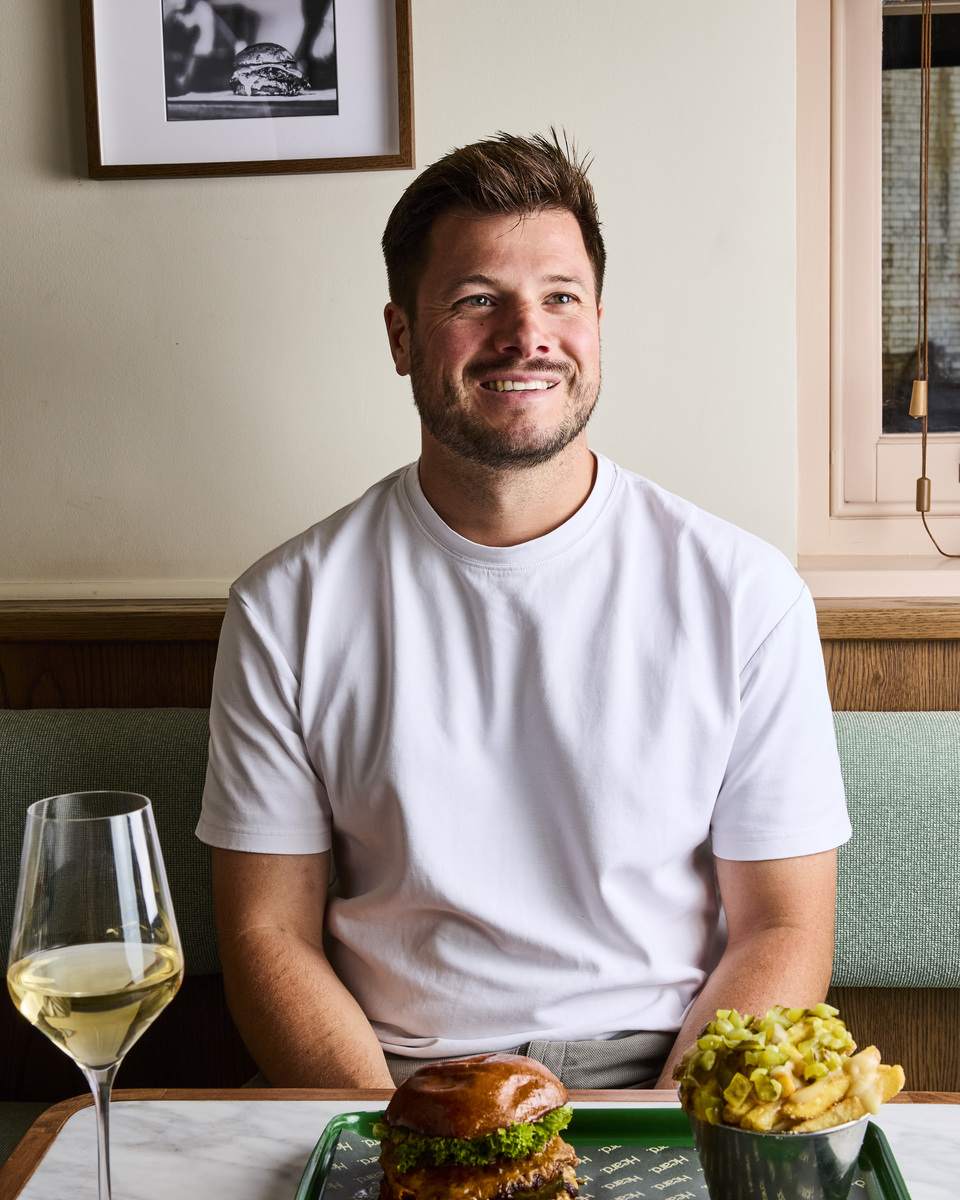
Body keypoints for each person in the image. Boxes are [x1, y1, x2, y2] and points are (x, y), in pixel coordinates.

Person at [197, 132, 851, 1091]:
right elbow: (267, 935)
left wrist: (666, 1128)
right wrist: (398, 1139)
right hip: (391, 1075)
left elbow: (785, 928)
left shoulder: (745, 593)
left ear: (596, 323)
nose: (526, 335)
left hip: (659, 1068)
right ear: (400, 336)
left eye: (560, 297)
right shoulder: (284, 606)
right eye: (475, 301)